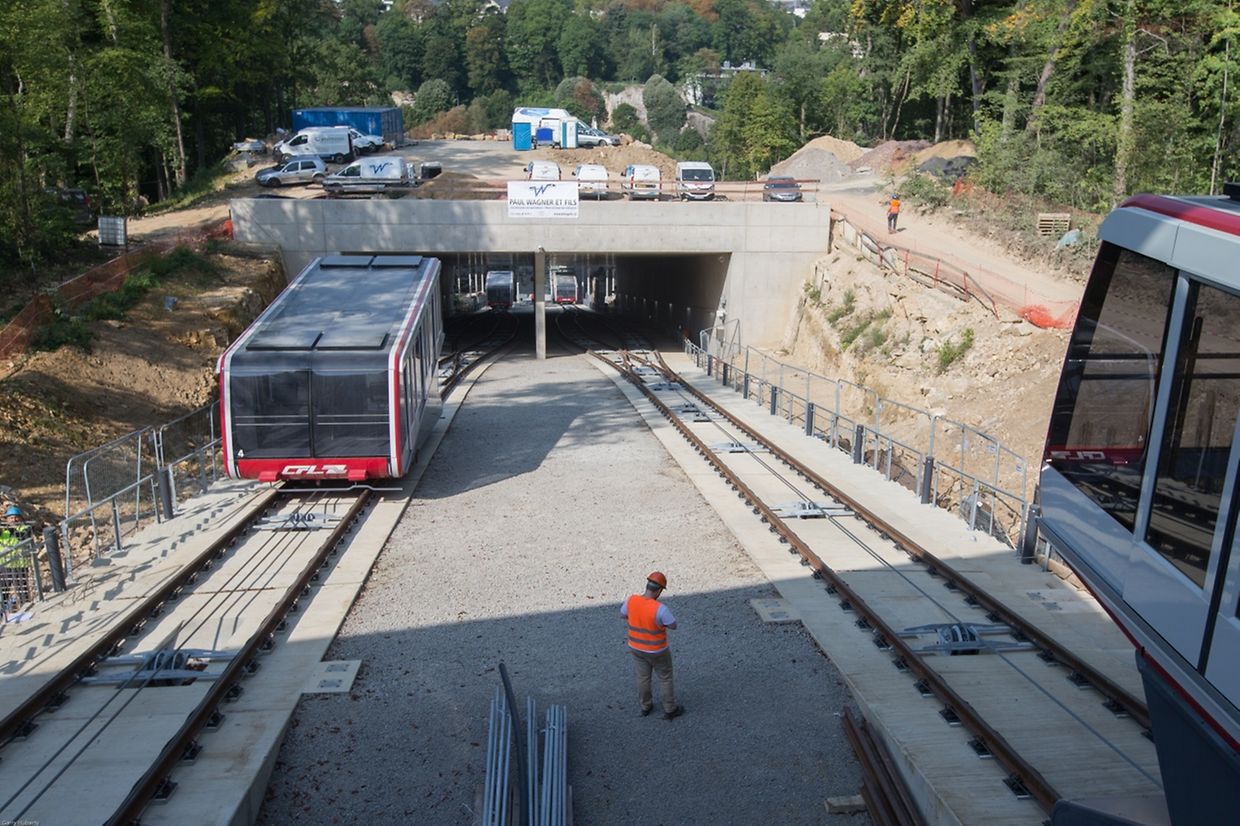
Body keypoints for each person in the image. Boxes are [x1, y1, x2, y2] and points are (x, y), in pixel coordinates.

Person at [621, 571, 684, 720]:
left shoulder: (631, 600)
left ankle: (645, 706)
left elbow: (623, 614)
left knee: (643, 677)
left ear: (647, 586)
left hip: (636, 647)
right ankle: (670, 708)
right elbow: (673, 625)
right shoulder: (660, 609)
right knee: (665, 677)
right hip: (657, 650)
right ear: (659, 590)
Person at [0, 505, 33, 610]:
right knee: (3, 591)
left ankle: (27, 609)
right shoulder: (3, 531)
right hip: (5, 565)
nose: (13, 519)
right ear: (7, 519)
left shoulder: (26, 528)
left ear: (20, 518)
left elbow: (22, 536)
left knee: (22, 590)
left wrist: (11, 530)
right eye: (10, 517)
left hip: (19, 565)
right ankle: (2, 612)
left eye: (16, 517)